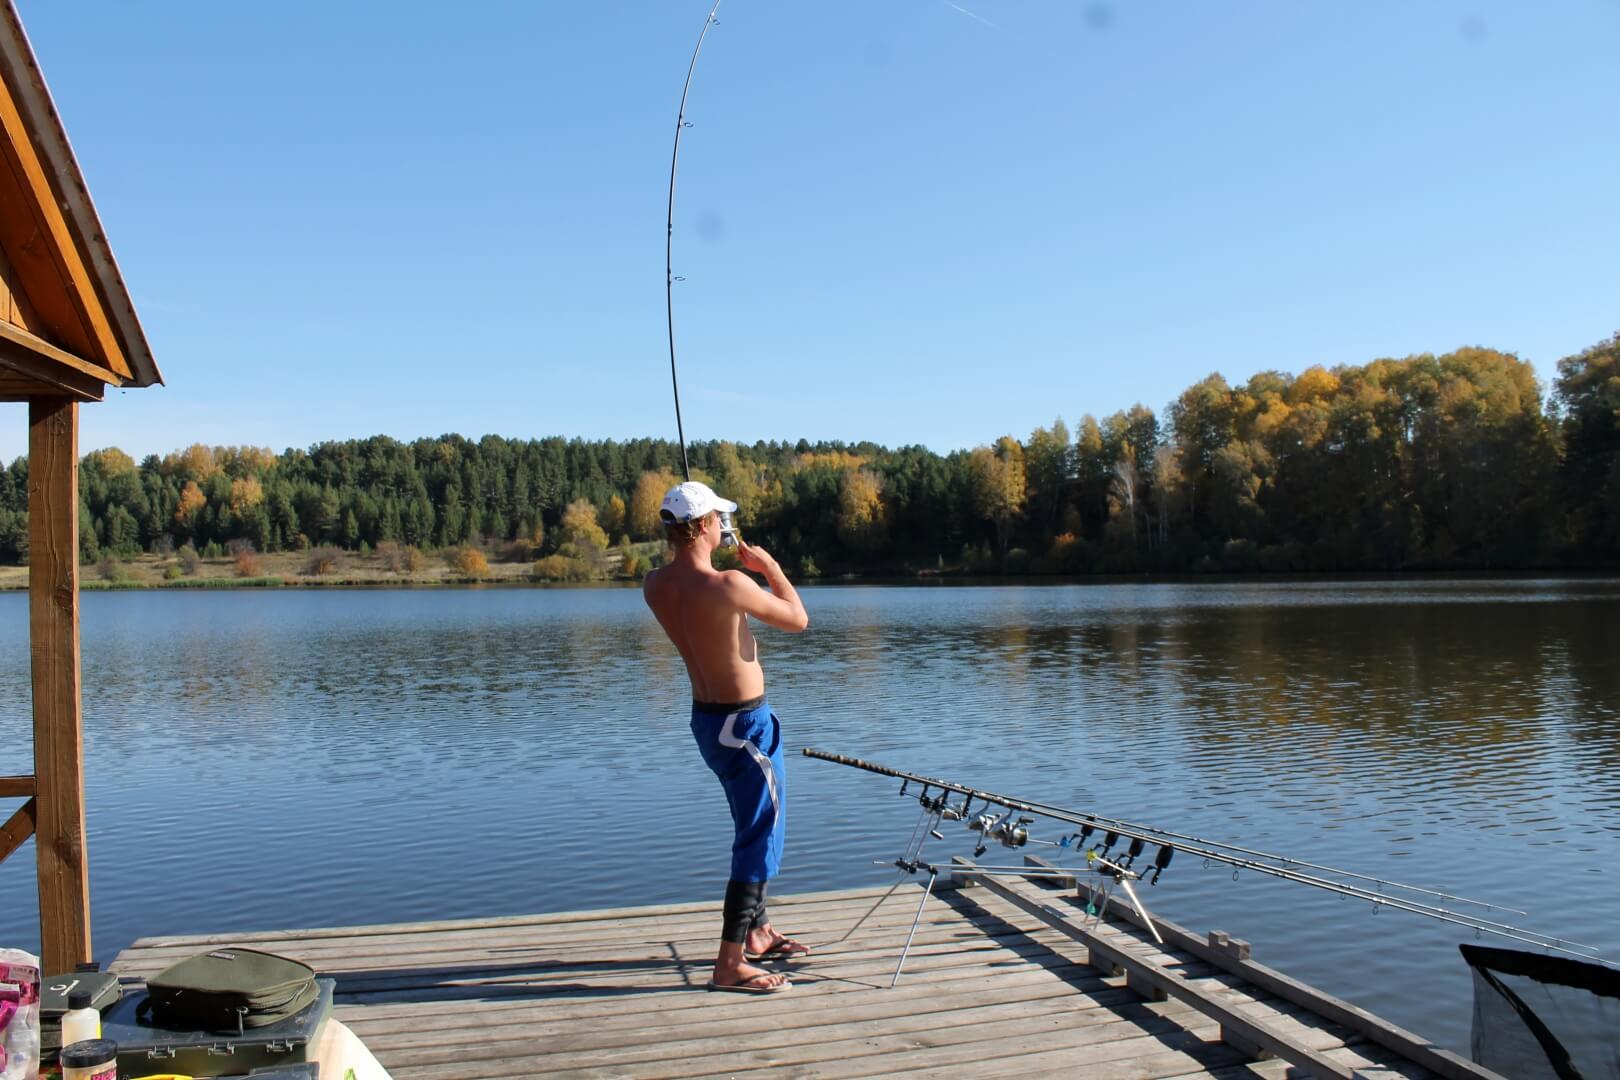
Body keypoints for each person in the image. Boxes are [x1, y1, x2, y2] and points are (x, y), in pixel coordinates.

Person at [643, 480, 811, 994]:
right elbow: (799, 620)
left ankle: (757, 931)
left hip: (709, 723)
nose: (723, 525)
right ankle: (730, 962)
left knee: (750, 823)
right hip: (745, 726)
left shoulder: (654, 584)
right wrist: (770, 570)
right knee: (761, 834)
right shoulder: (731, 585)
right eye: (718, 518)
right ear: (704, 526)